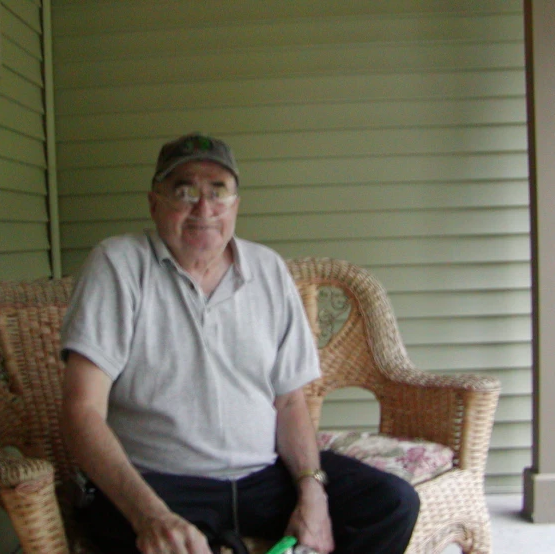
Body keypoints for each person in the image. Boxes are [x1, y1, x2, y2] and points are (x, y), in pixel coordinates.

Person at [59, 132, 420, 554]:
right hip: (160, 483)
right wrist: (151, 516)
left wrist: (312, 492)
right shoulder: (118, 265)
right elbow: (80, 410)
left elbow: (289, 403)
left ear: (236, 205)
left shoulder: (268, 270)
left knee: (391, 503)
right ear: (154, 201)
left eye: (219, 191)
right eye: (185, 190)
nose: (204, 208)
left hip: (262, 478)